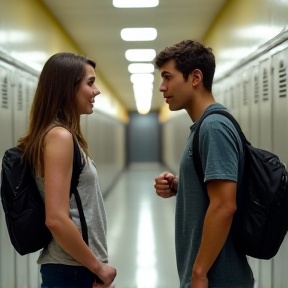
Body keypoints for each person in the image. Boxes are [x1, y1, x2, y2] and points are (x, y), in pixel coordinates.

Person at [154, 40, 254, 288]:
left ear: (195, 77)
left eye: (168, 77)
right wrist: (182, 185)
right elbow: (216, 191)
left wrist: (199, 273)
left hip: (217, 278)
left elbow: (224, 205)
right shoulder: (204, 125)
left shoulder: (213, 127)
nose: (162, 87)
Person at [18, 52, 117, 288]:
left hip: (74, 268)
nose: (97, 91)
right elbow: (56, 218)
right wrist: (98, 268)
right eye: (90, 83)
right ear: (66, 88)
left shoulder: (63, 135)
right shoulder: (59, 136)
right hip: (72, 272)